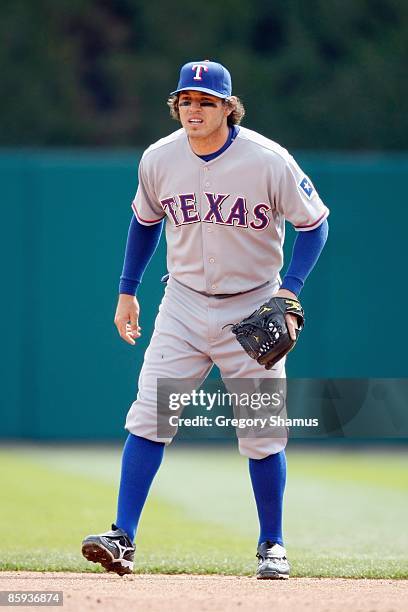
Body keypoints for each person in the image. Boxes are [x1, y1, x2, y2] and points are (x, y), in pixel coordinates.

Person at [82, 60, 329, 579]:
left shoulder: (268, 159)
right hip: (184, 303)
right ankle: (122, 537)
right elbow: (144, 221)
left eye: (206, 102)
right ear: (176, 105)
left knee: (261, 432)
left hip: (253, 304)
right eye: (186, 101)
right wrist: (127, 291)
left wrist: (290, 290)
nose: (194, 110)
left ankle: (272, 545)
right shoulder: (159, 158)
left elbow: (316, 225)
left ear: (227, 108)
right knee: (149, 415)